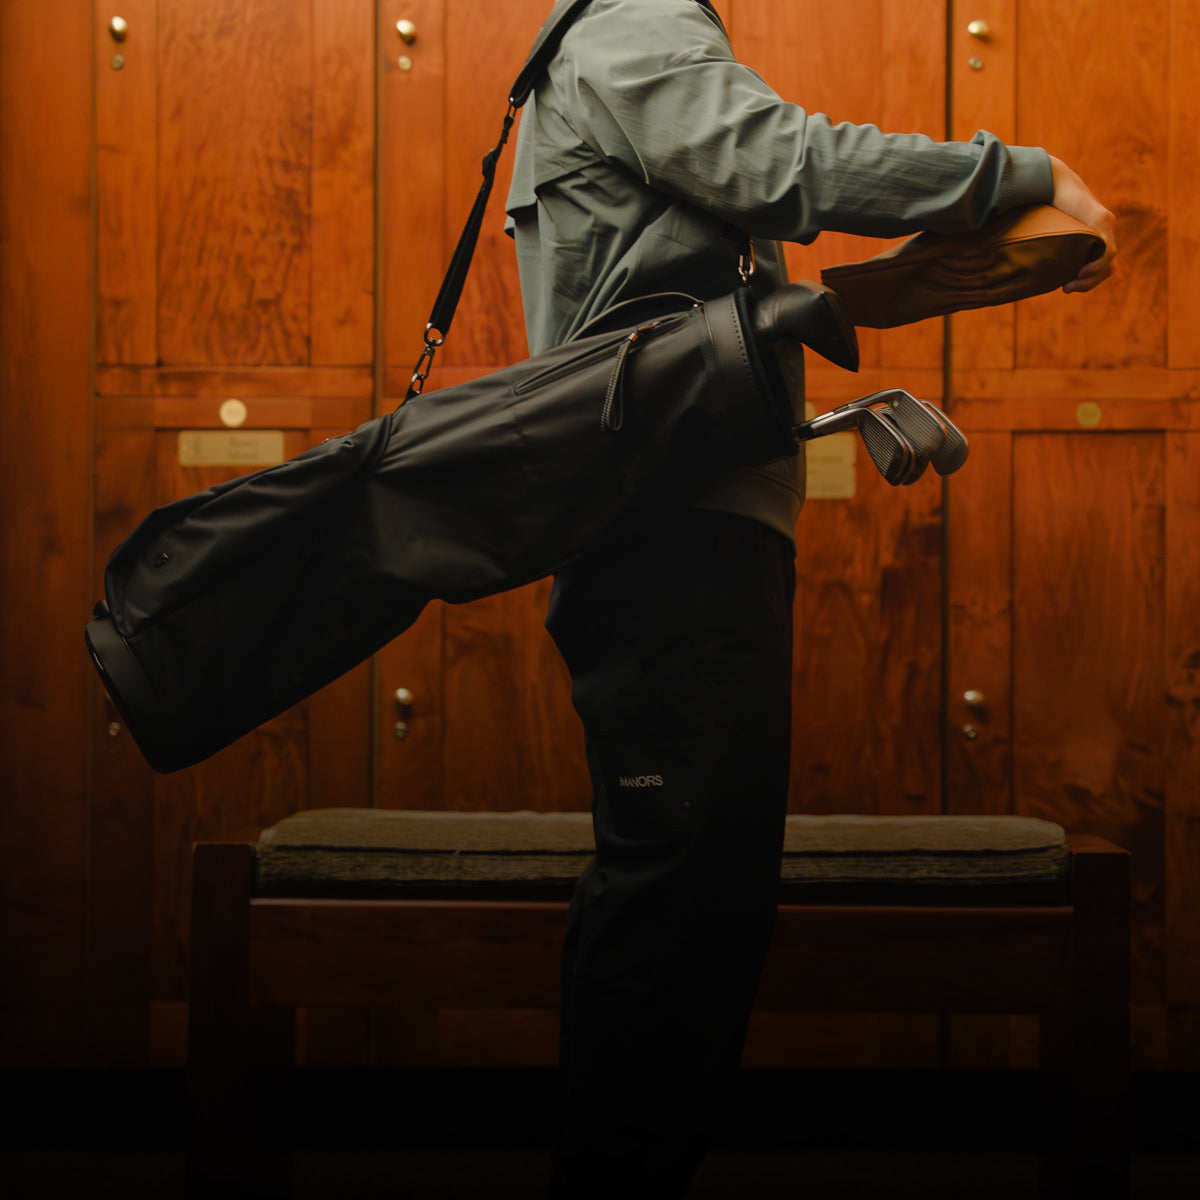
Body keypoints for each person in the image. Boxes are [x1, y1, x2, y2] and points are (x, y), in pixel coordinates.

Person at [503, 2, 1116, 1195]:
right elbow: (783, 161)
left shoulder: (628, 29)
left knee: (695, 893)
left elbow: (689, 275)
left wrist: (864, 301)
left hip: (686, 519)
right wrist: (1018, 174)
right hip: (670, 531)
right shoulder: (636, 20)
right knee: (681, 898)